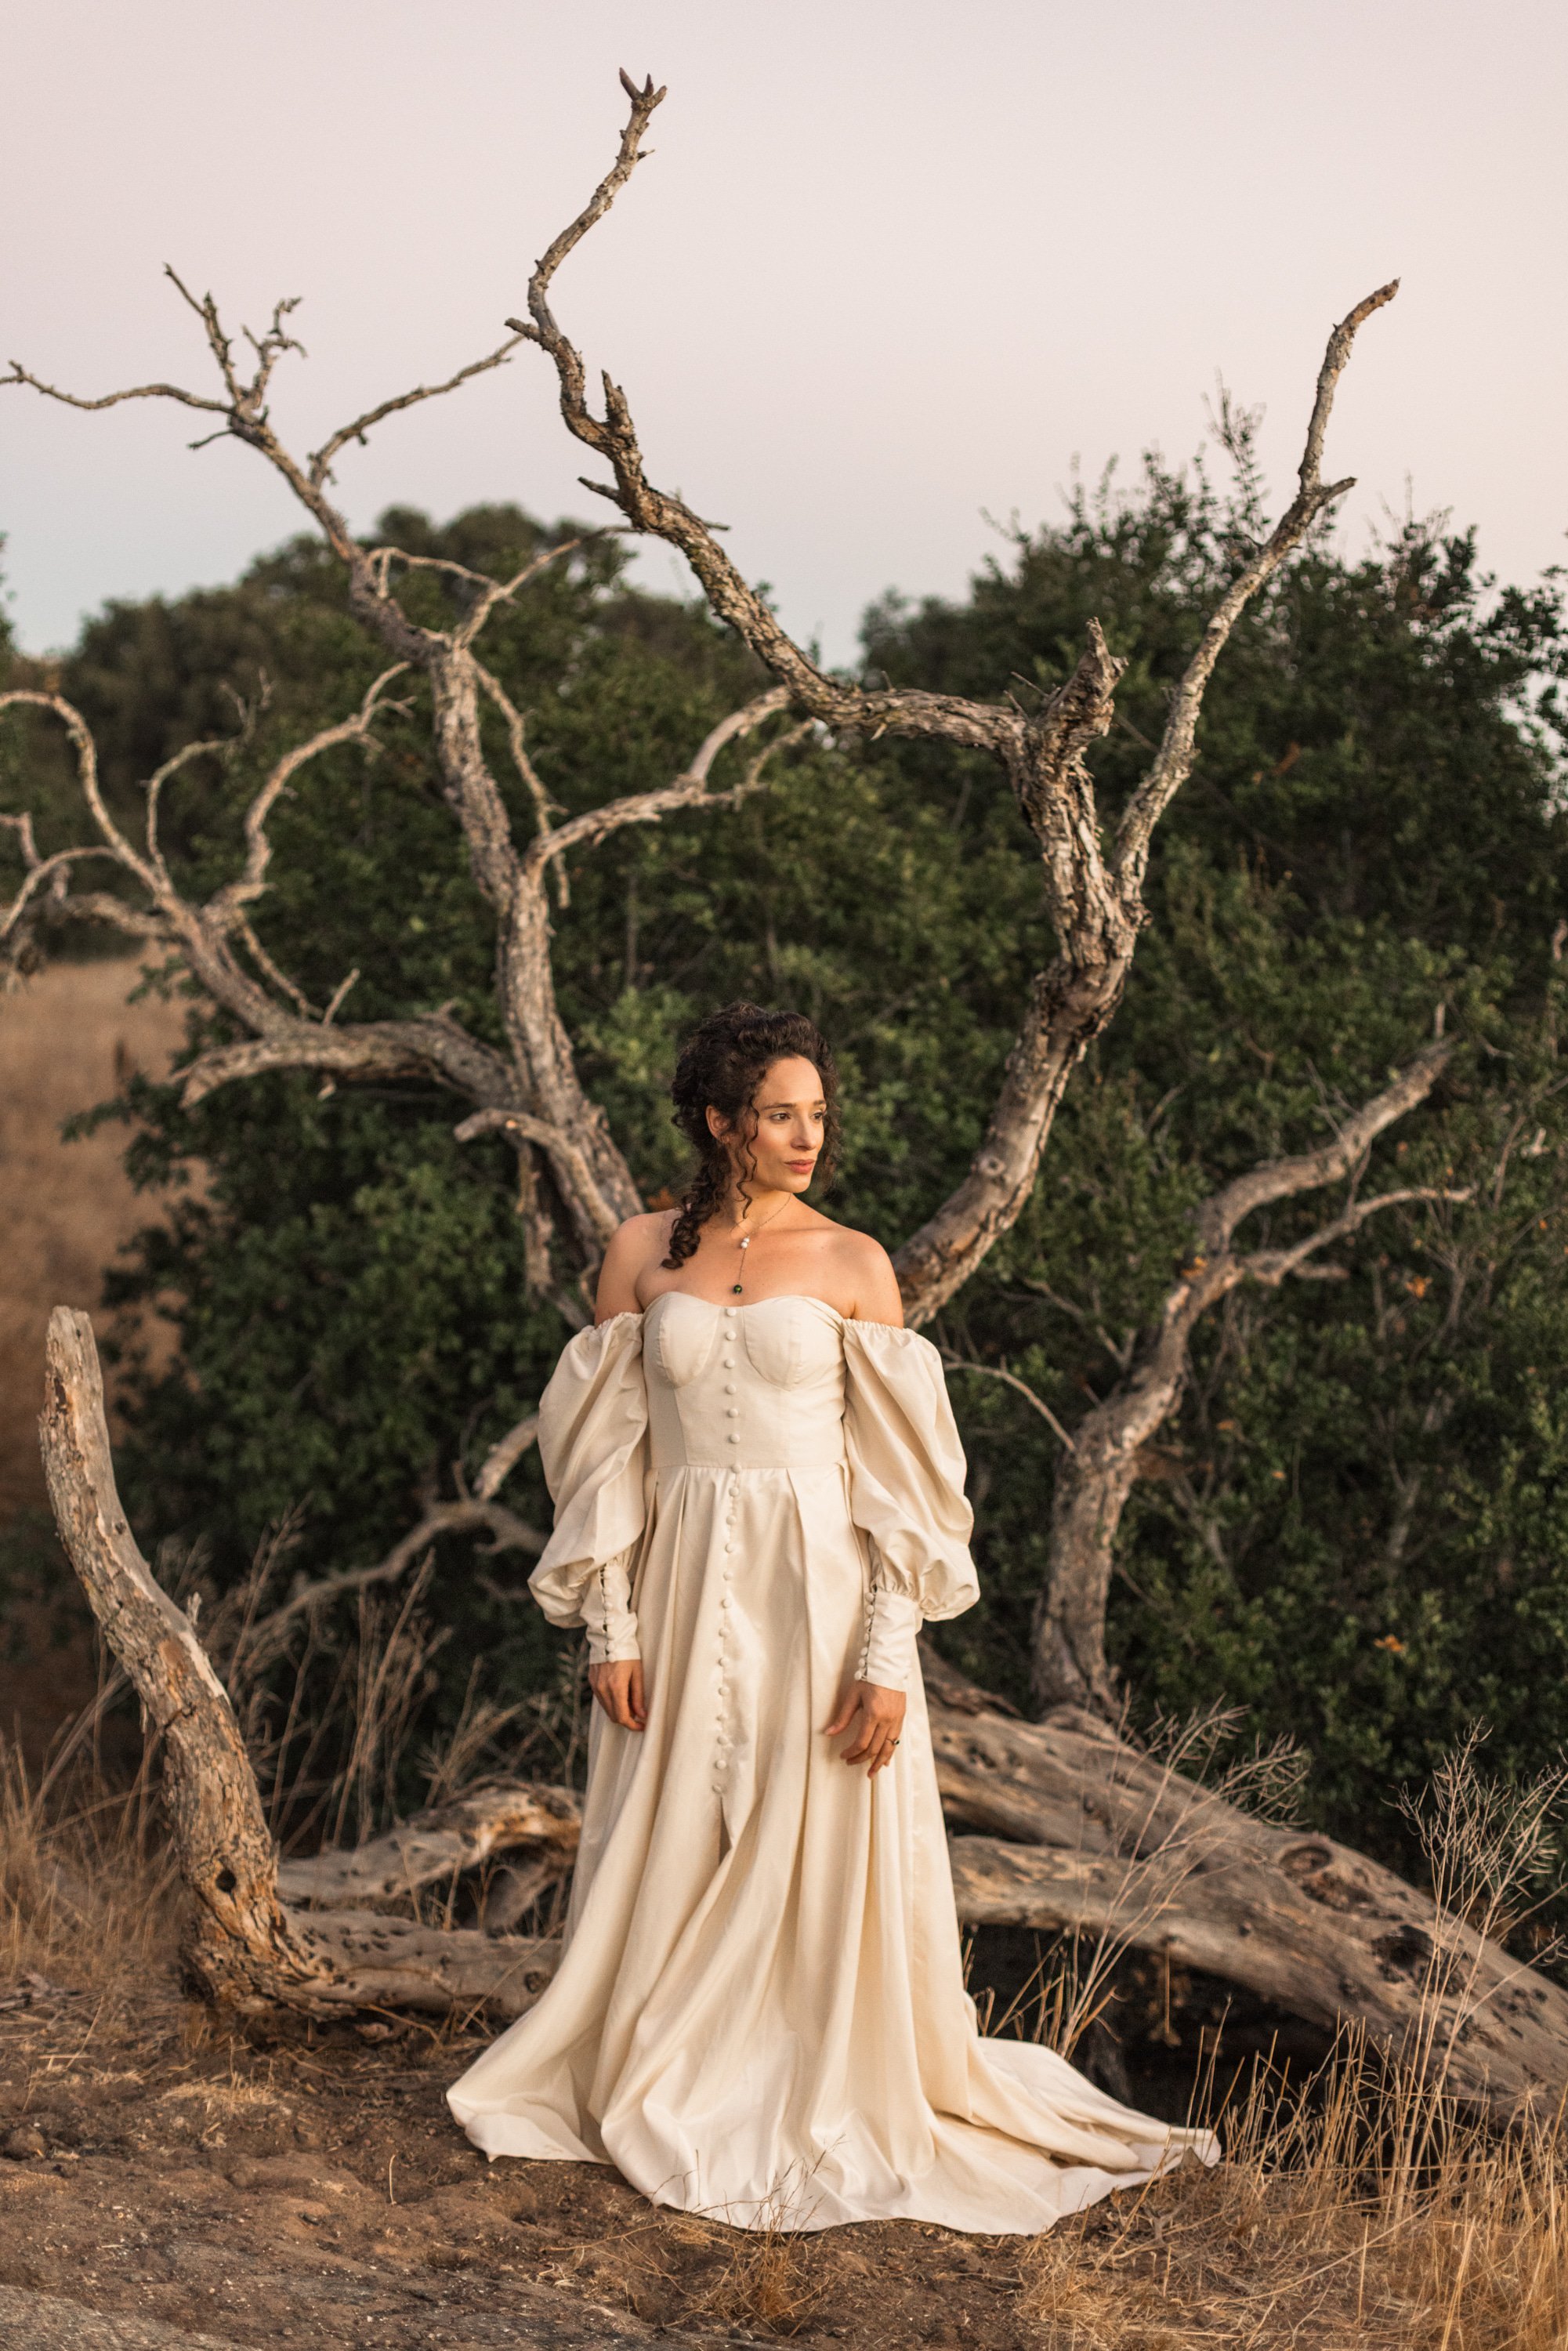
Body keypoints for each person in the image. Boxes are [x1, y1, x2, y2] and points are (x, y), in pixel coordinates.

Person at [447, 1002, 1217, 2230]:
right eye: (781, 1116)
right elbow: (603, 1463)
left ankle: (813, 2076)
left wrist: (883, 1653)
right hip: (682, 1581)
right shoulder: (640, 1251)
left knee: (819, 1833)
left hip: (819, 1587)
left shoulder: (856, 1264)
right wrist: (610, 1626)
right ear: (720, 1123)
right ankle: (667, 2066)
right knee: (674, 1820)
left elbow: (902, 1486)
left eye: (817, 1114)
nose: (809, 1137)